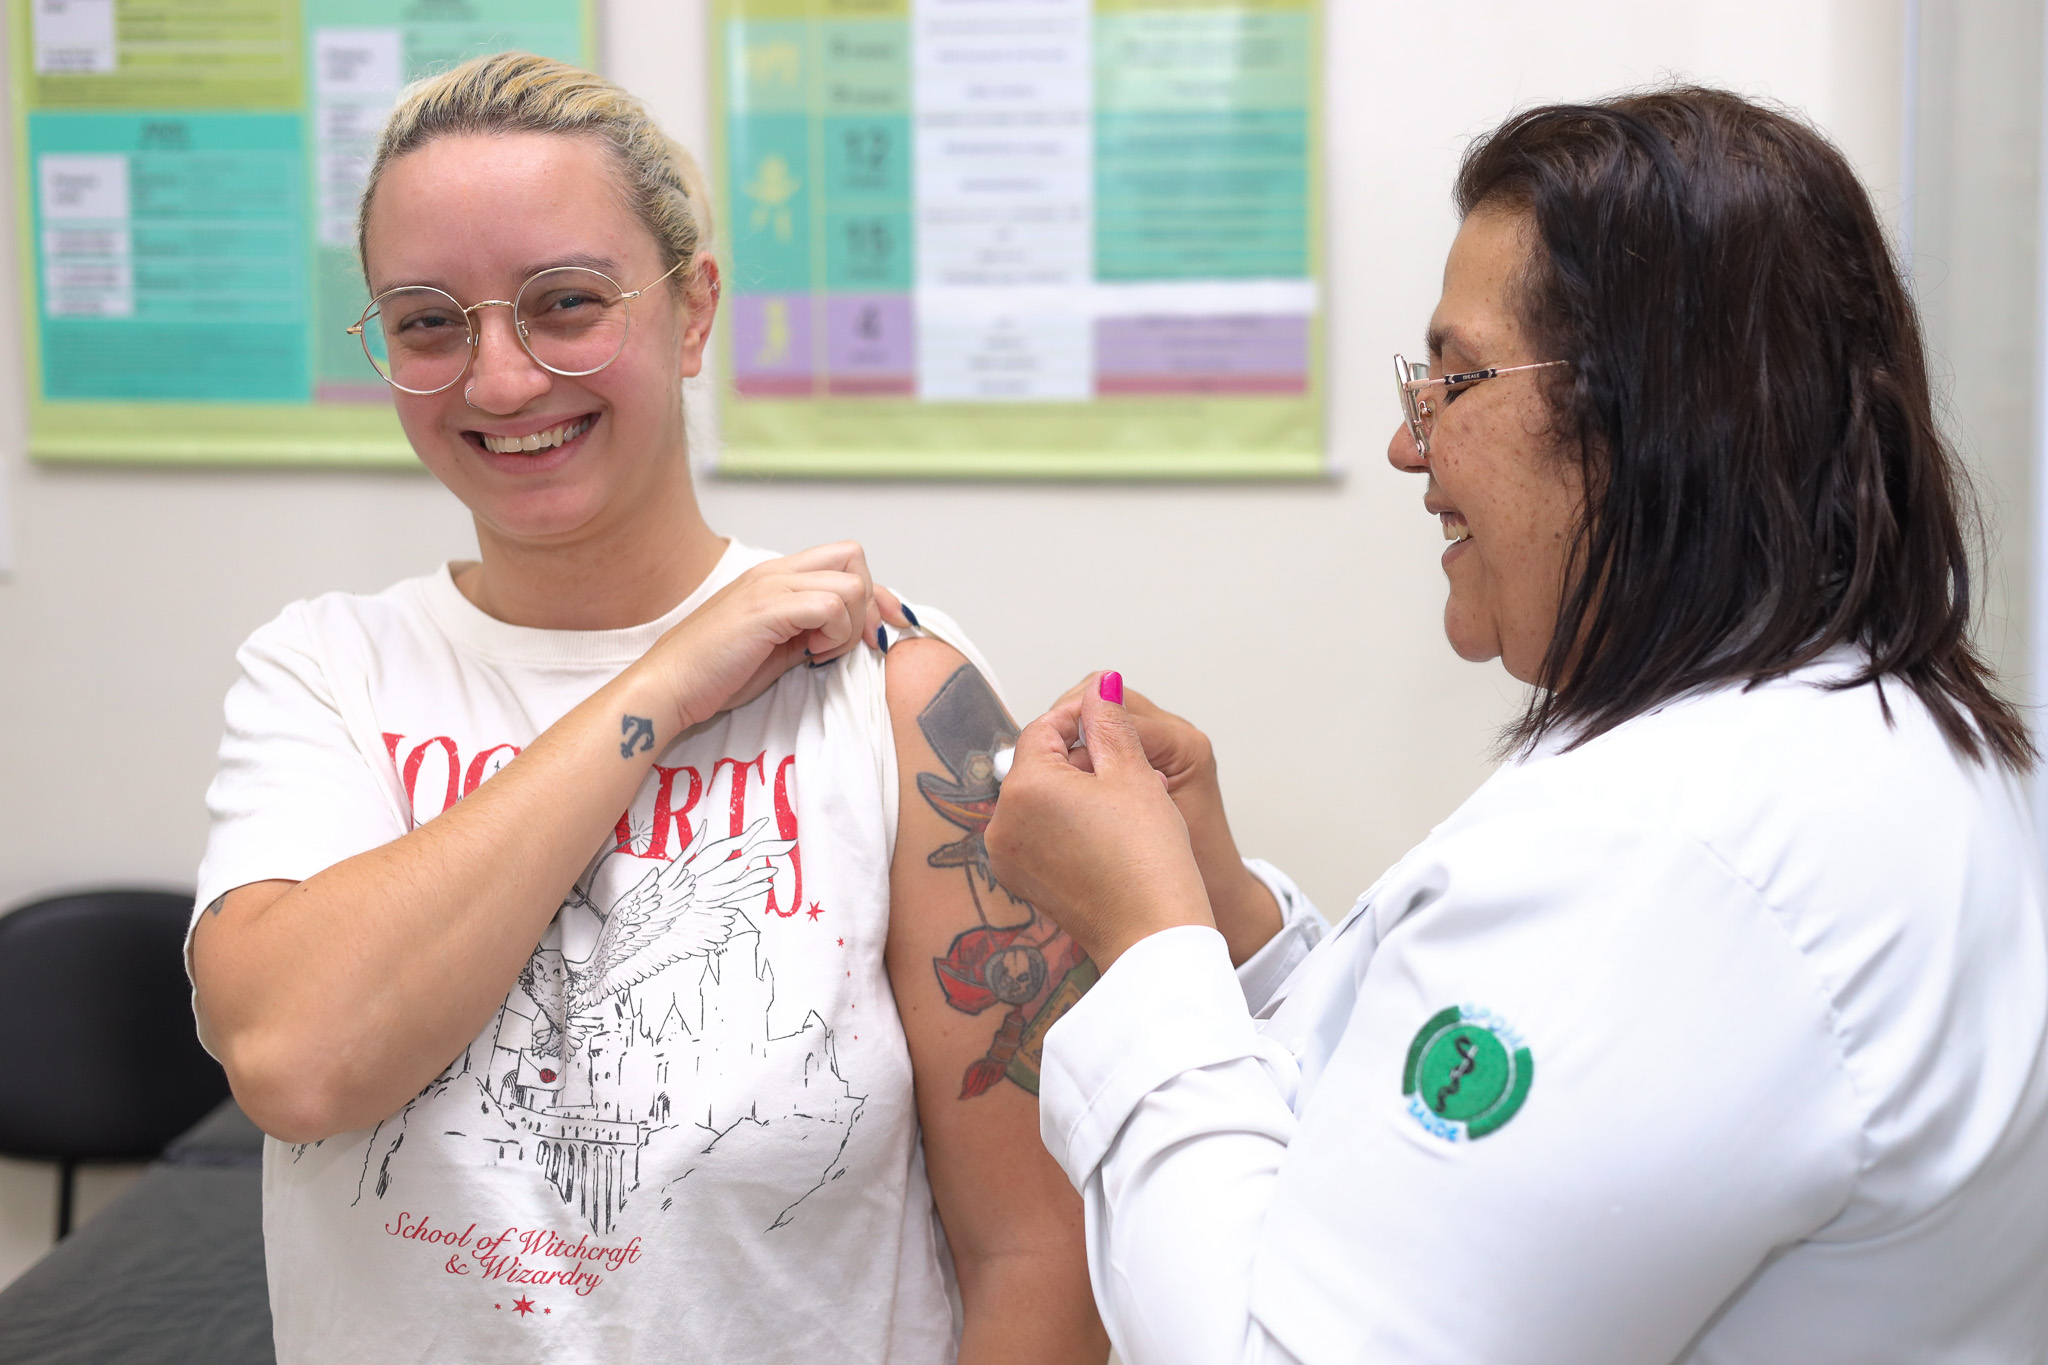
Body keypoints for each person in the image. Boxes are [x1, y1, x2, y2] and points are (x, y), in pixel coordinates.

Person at [984, 87, 2048, 1364]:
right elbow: (1432, 1156)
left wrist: (1147, 944)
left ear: (1650, 411)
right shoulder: (1841, 734)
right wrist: (1232, 928)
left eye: (1454, 378)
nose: (1408, 444)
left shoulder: (1673, 864)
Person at [187, 53, 1107, 1364]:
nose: (500, 381)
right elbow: (299, 1060)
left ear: (691, 312)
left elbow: (1037, 1253)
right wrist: (662, 686)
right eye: (428, 322)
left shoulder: (894, 687)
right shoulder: (325, 672)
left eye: (566, 304)